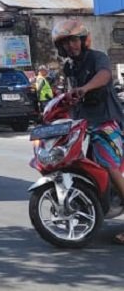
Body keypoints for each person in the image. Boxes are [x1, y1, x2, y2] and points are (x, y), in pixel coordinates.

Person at [52, 19, 124, 244]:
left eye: (74, 40)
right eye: (66, 43)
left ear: (83, 40)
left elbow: (104, 76)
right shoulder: (69, 67)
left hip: (106, 121)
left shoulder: (97, 57)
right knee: (83, 165)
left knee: (109, 167)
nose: (70, 46)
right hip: (83, 124)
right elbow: (69, 94)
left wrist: (84, 88)